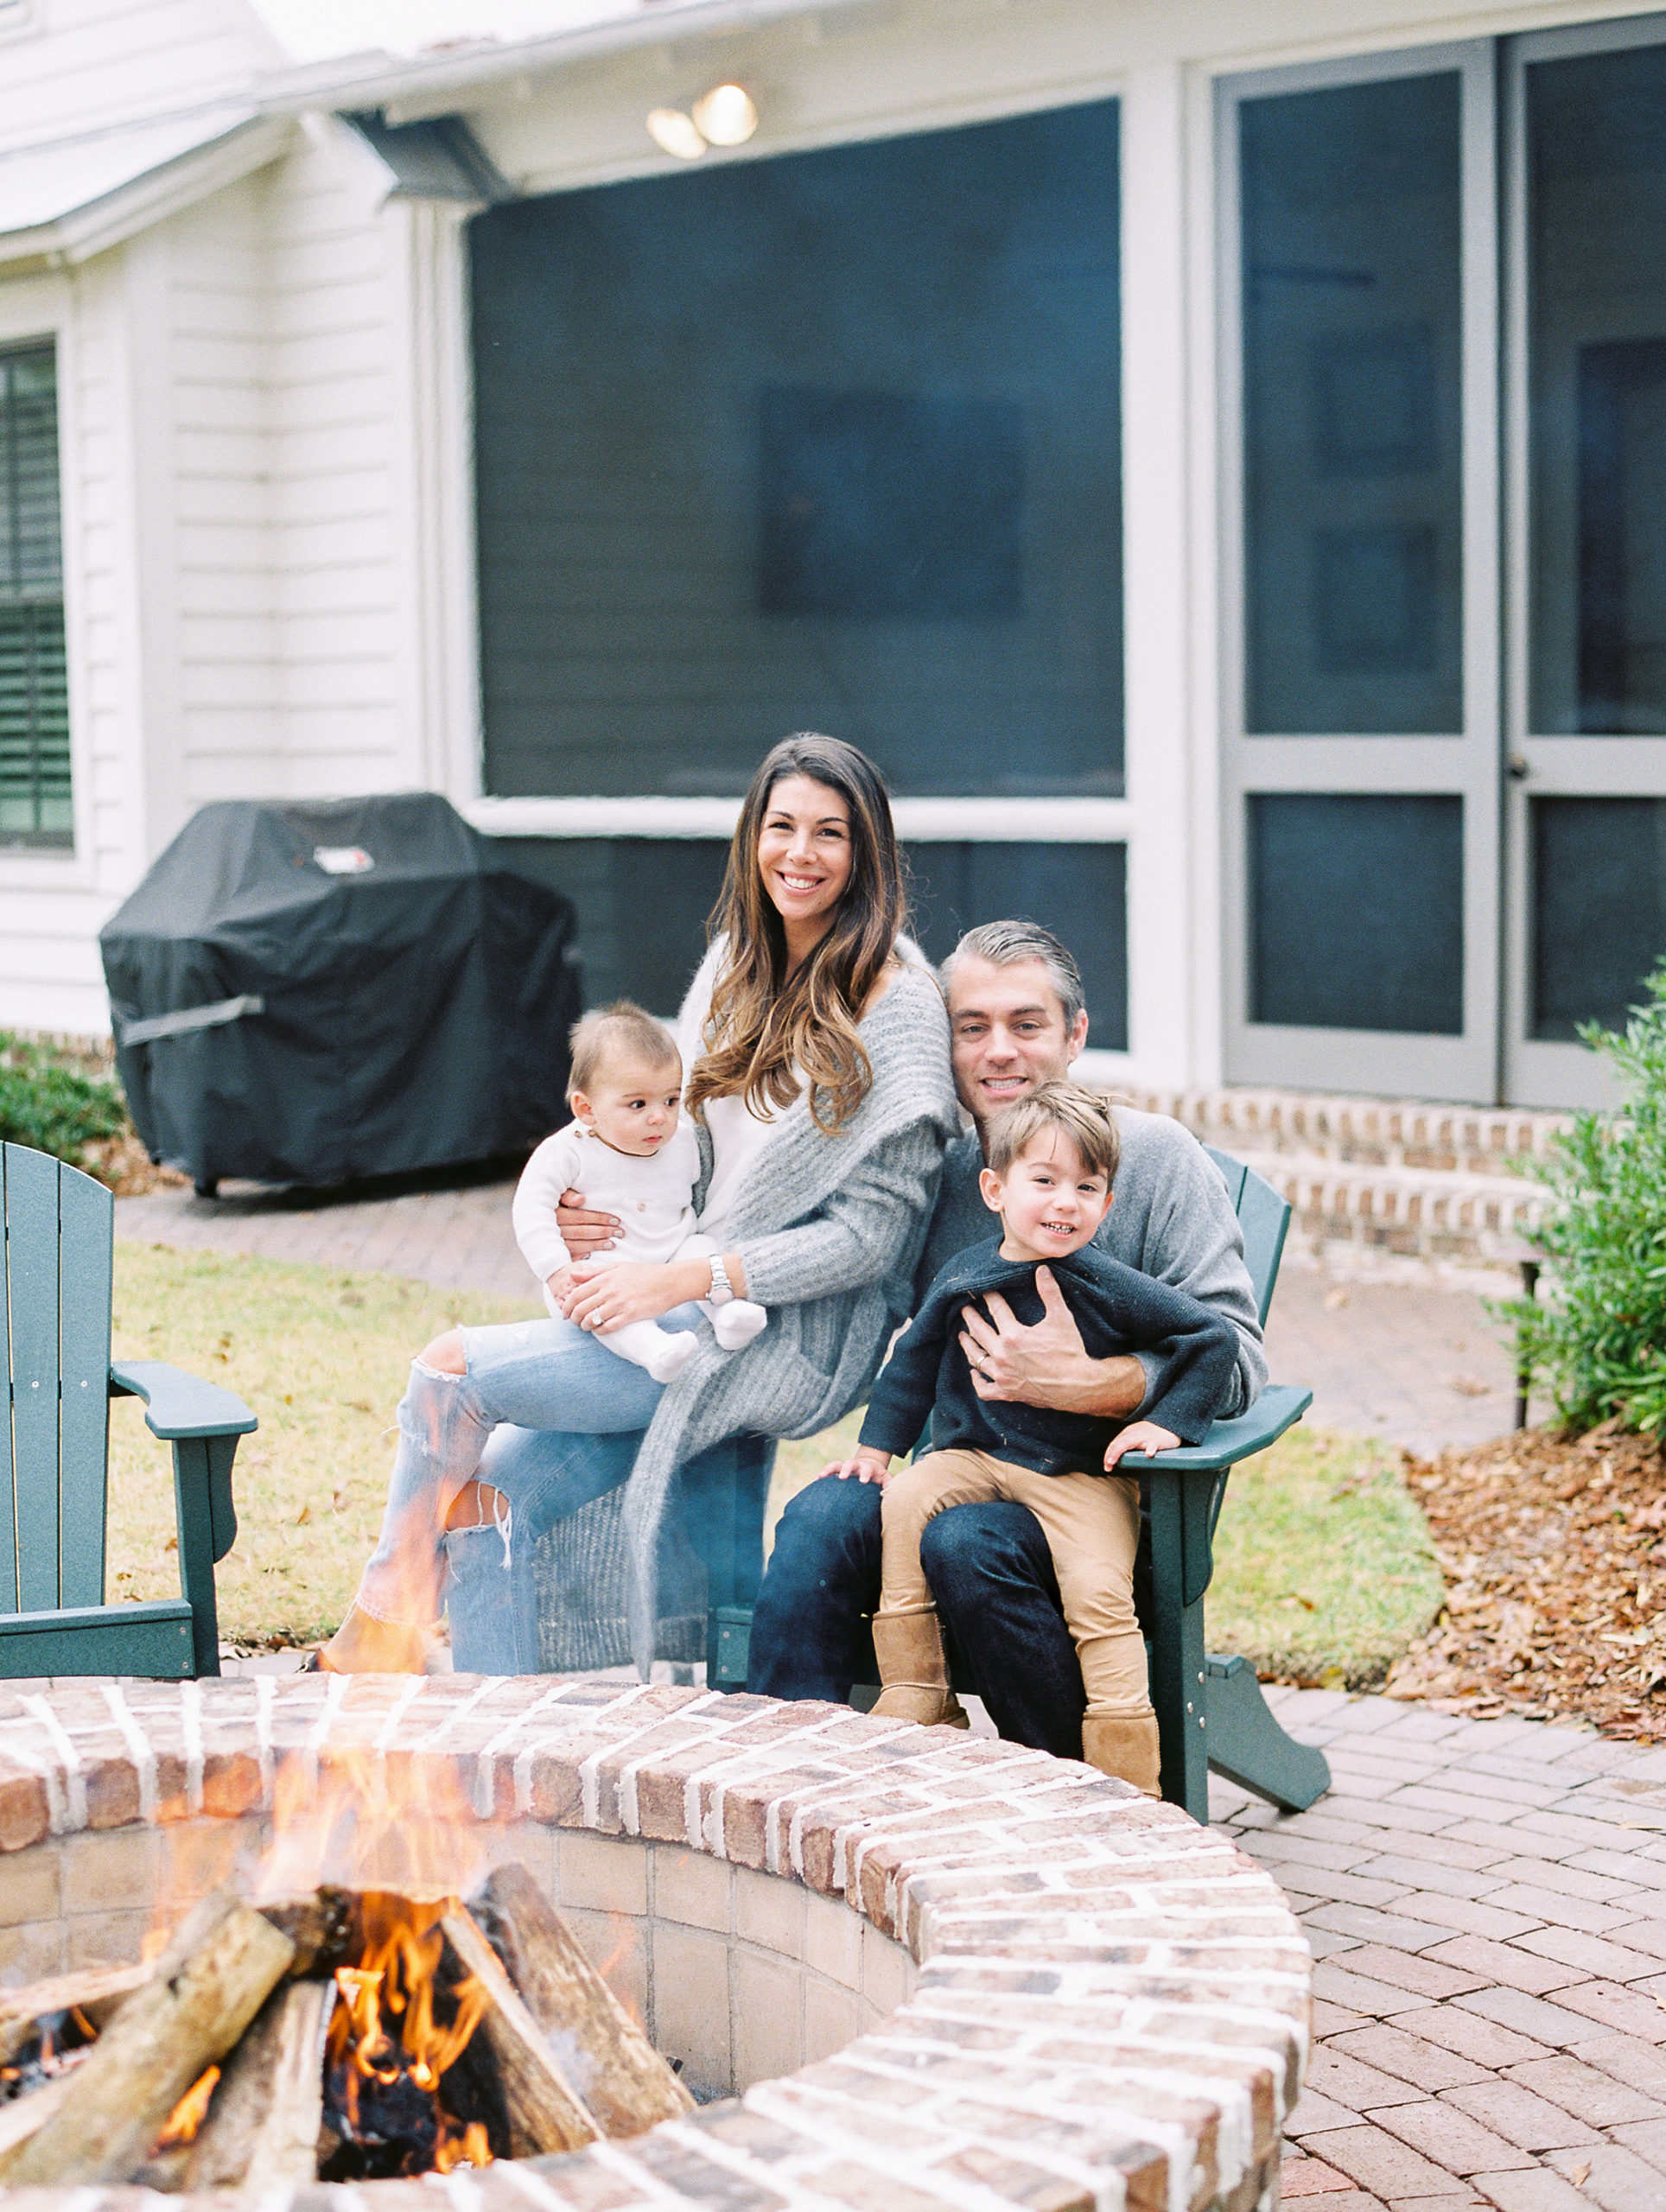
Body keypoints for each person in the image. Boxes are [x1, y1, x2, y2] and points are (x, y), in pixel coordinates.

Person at [315, 733, 958, 1676]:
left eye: (830, 833)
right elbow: (679, 1144)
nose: (800, 853)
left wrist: (686, 1275)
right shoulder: (737, 965)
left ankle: (380, 1622)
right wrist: (599, 1202)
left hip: (774, 1332)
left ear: (867, 854)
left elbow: (868, 1239)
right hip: (666, 1296)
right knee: (477, 1498)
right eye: (780, 826)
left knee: (449, 1372)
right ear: (751, 838)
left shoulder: (896, 1008)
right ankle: (498, 1760)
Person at [747, 920, 1267, 1758]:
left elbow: (1236, 1358)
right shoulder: (943, 1172)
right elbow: (872, 1309)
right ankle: (791, 1784)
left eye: (1026, 1024)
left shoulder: (1156, 1160)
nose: (998, 1051)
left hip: (1097, 1501)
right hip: (957, 1472)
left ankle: (1072, 1798)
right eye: (971, 1027)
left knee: (966, 1543)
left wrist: (1092, 1383)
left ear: (1074, 1035)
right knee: (821, 1518)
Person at [829, 1083, 1241, 1792]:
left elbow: (1213, 1338)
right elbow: (912, 1364)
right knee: (905, 1501)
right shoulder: (964, 1274)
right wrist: (876, 1449)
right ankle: (919, 1690)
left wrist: (1165, 1420)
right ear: (995, 1189)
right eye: (1044, 1181)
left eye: (1087, 1187)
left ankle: (1127, 1771)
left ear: (1107, 1206)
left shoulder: (1108, 1283)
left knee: (1099, 1592)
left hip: (1078, 1477)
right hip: (974, 1460)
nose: (1065, 1202)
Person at [512, 1002, 766, 1384]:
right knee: (593, 1299)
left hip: (670, 1257)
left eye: (670, 1100)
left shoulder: (683, 1141)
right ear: (587, 1109)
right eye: (638, 1104)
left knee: (702, 1249)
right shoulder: (567, 1151)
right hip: (602, 1265)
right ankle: (654, 1350)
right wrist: (556, 1269)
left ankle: (728, 1315)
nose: (659, 1117)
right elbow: (531, 1210)